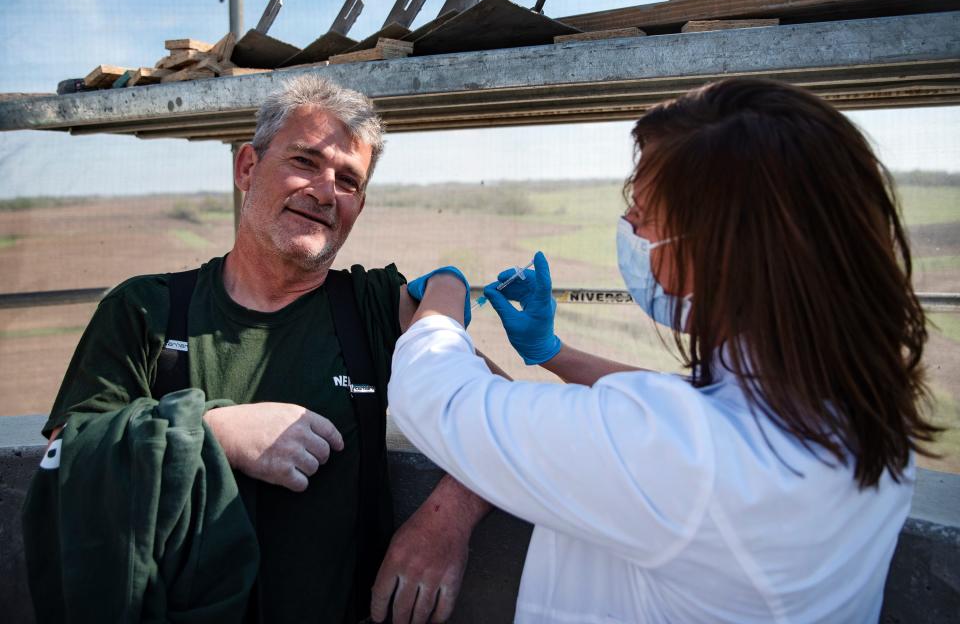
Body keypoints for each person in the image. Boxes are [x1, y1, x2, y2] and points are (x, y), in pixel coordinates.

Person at [388, 78, 939, 622]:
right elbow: (699, 405)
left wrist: (446, 291)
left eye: (644, 212)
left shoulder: (690, 460)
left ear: (722, 252)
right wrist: (552, 352)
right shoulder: (856, 405)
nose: (628, 225)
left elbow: (438, 397)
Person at [34, 75, 491, 624]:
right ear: (247, 168)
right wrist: (211, 433)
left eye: (348, 180)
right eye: (305, 161)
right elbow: (70, 459)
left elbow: (503, 413)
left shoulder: (373, 309)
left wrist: (444, 524)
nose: (325, 191)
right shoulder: (147, 311)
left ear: (359, 207)